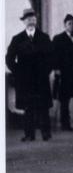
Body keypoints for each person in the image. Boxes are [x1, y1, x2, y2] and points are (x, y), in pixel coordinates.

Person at [6, 8, 54, 141]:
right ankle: (29, 134)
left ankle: (46, 133)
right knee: (28, 108)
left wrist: (46, 71)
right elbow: (9, 58)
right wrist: (18, 72)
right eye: (28, 19)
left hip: (41, 79)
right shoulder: (17, 39)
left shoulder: (44, 37)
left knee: (43, 107)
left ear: (36, 20)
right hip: (25, 80)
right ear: (24, 22)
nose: (31, 21)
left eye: (33, 19)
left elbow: (51, 57)